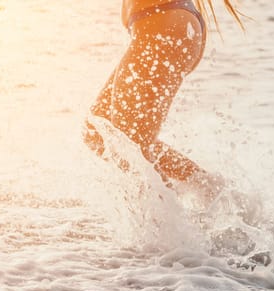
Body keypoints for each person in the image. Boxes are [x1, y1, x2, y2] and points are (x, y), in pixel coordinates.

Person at [83, 0, 243, 200]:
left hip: (163, 25)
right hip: (163, 24)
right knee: (98, 130)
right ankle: (204, 188)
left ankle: (167, 220)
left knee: (132, 152)